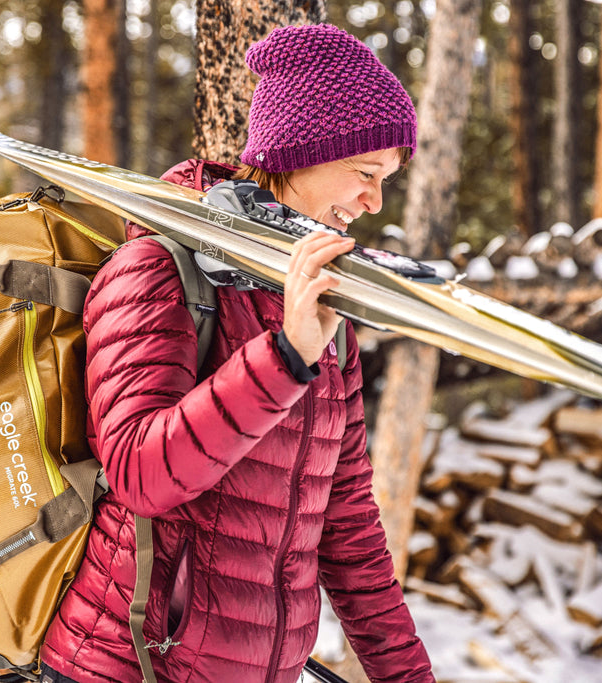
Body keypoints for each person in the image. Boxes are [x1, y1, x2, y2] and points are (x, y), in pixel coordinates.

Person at [39, 23, 435, 683]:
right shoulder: (157, 270)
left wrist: (408, 677)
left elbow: (348, 525)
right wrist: (284, 358)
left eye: (386, 179)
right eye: (365, 173)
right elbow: (141, 472)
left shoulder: (327, 312)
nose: (374, 201)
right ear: (300, 152)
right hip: (125, 666)